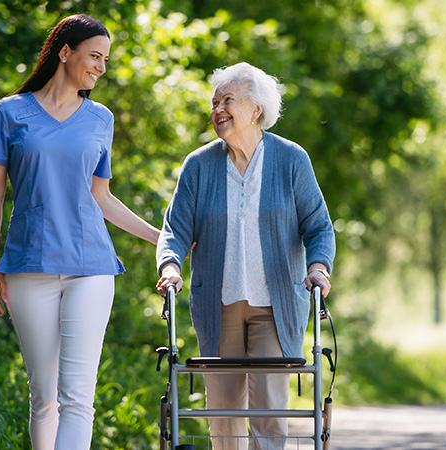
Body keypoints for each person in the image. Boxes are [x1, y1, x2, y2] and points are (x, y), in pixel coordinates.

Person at [0, 14, 159, 450]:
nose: (101, 67)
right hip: (28, 266)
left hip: (91, 266)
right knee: (44, 398)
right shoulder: (11, 111)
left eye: (105, 60)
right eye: (94, 56)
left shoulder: (100, 119)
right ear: (65, 52)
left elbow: (102, 197)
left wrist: (160, 237)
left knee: (77, 396)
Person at [155, 62, 335, 450]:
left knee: (270, 407)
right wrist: (170, 266)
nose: (218, 109)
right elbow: (175, 229)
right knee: (223, 410)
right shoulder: (199, 165)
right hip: (219, 304)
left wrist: (318, 267)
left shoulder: (291, 160)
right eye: (214, 102)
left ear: (256, 110)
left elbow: (318, 226)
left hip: (276, 303)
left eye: (228, 101)